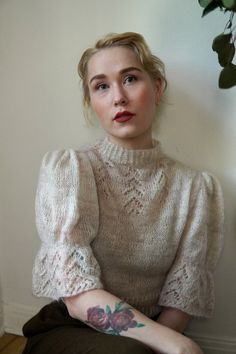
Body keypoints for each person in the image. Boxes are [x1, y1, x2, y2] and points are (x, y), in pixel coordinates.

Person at [22, 32, 224, 354]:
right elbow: (77, 294)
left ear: (156, 88)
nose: (118, 97)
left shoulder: (195, 189)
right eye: (101, 86)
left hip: (150, 332)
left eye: (129, 78)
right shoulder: (71, 171)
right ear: (92, 103)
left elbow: (181, 296)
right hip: (71, 327)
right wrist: (177, 346)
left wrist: (167, 343)